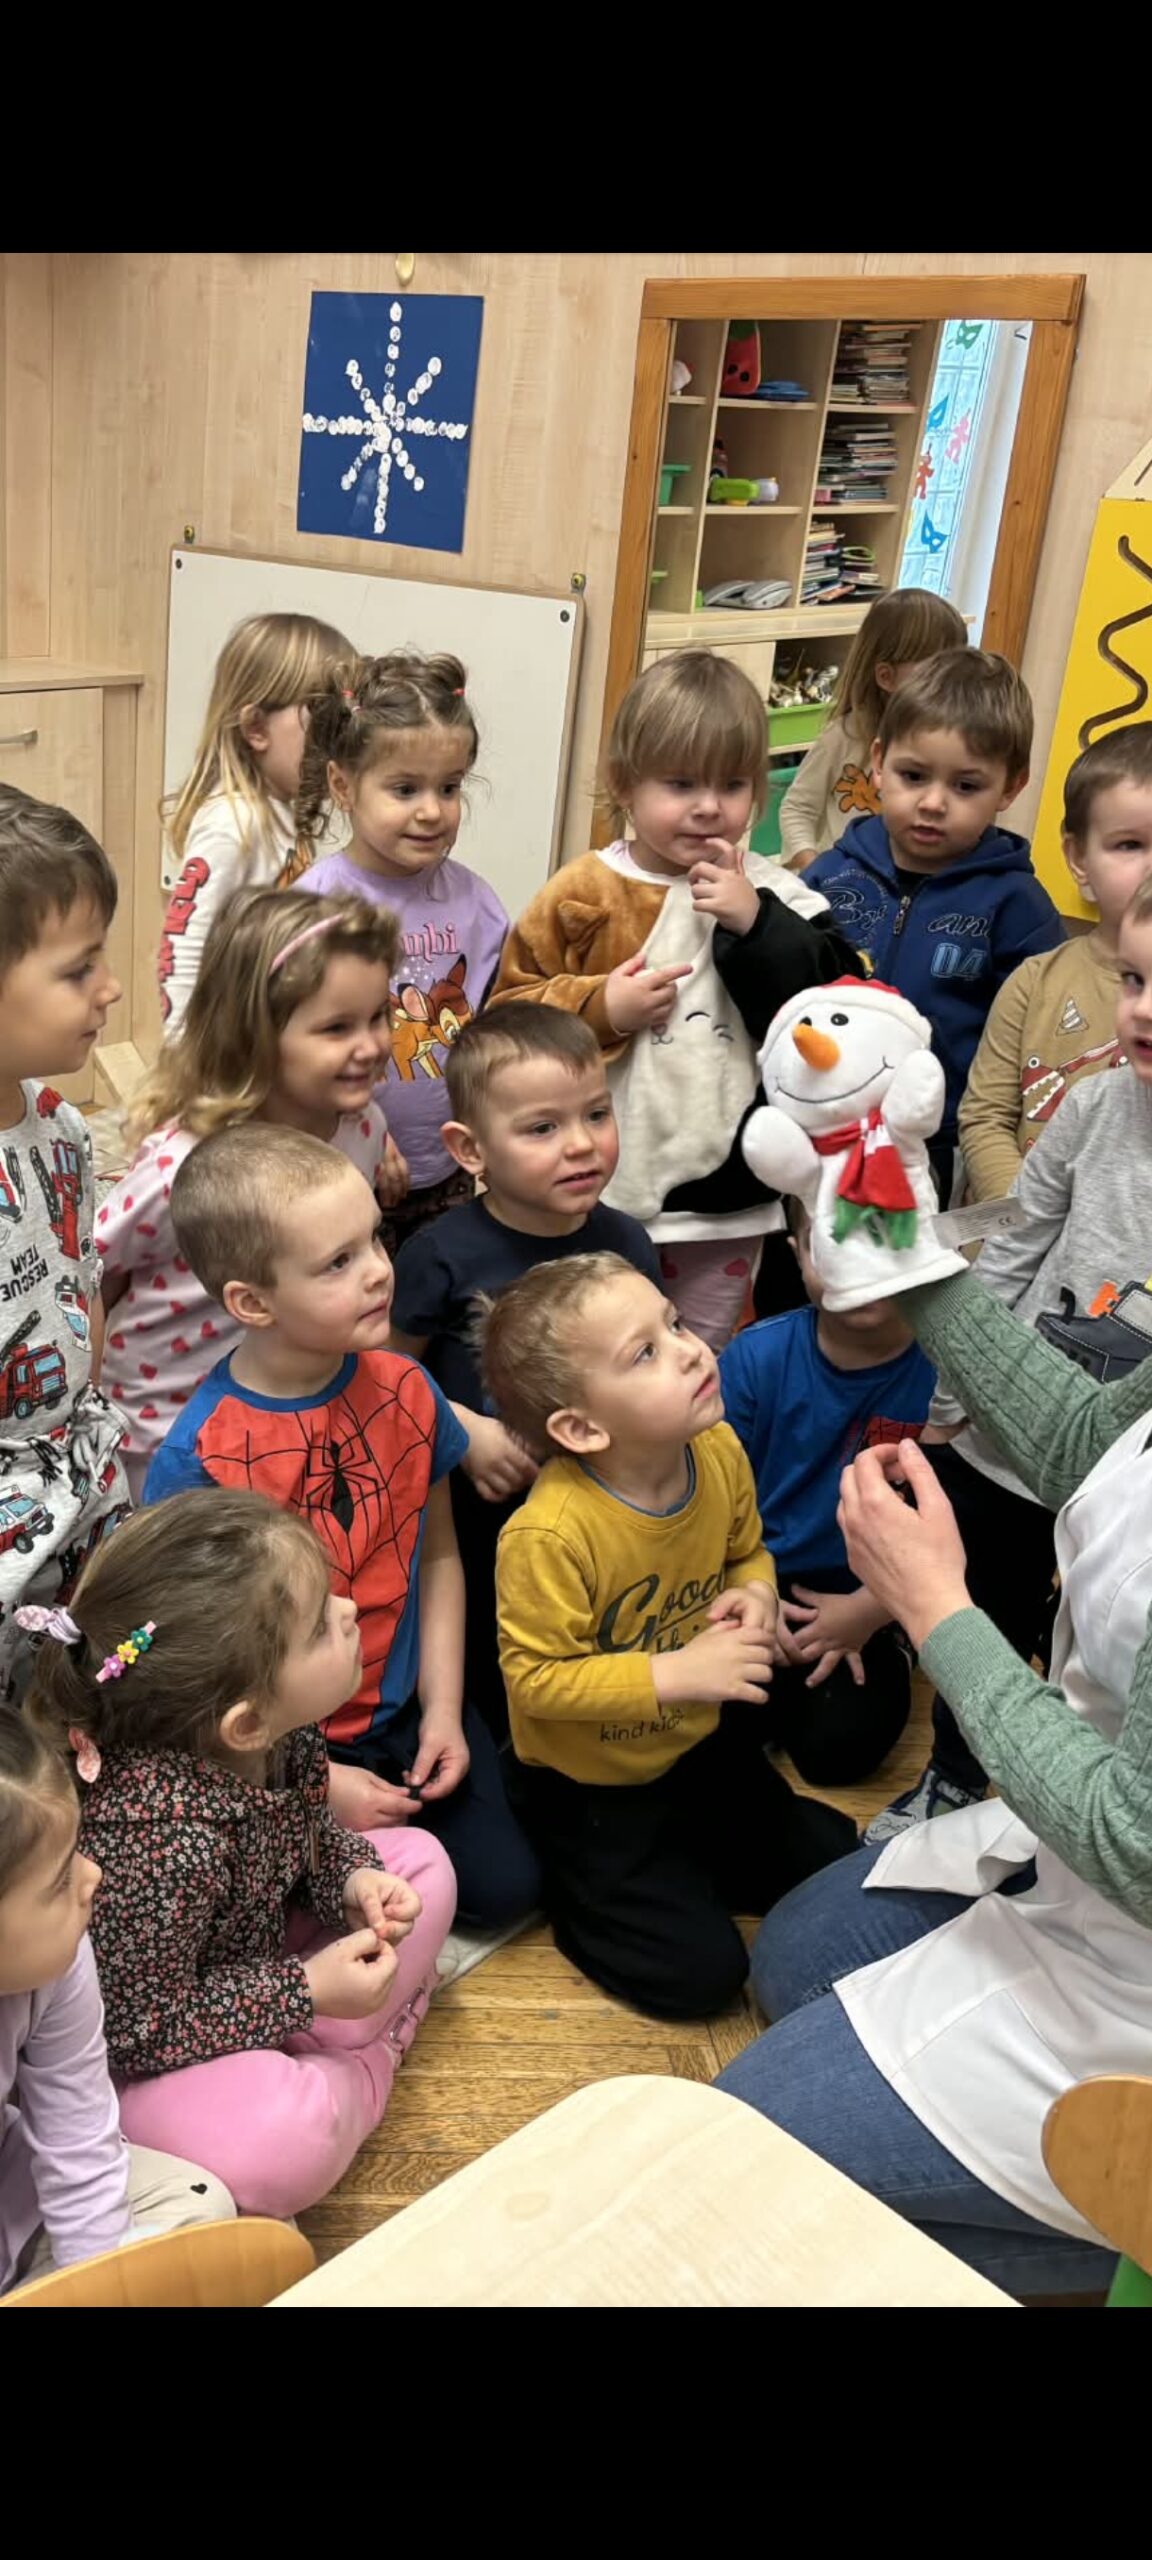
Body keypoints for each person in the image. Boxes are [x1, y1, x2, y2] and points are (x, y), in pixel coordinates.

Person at [714, 1240, 1152, 2300]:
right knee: (794, 1959)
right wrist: (902, 1256)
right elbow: (1092, 1440)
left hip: (1125, 1932)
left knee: (731, 2172)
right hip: (1078, 1860)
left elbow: (1136, 1844)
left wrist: (932, 1609)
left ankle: (1123, 2219)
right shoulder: (767, 1359)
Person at [146, 1124, 541, 1931]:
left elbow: (437, 1555)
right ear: (253, 1303)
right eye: (338, 1262)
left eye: (375, 1240)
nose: (378, 1272)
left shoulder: (409, 1388)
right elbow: (195, 1681)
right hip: (276, 1748)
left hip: (405, 1710)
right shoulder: (199, 1457)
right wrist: (314, 1787)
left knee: (505, 1891)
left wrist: (443, 1709)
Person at [25, 1489, 455, 2222]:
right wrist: (305, 1990)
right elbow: (140, 2031)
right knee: (281, 2139)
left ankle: (343, 2033)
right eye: (320, 1626)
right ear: (244, 1723)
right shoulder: (158, 1841)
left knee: (424, 1864)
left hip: (248, 1965)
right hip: (154, 2050)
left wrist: (351, 1881)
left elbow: (306, 1838)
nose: (350, 1610)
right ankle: (364, 2059)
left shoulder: (283, 1735)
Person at [483, 1253, 856, 2019]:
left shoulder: (714, 1450)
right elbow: (535, 1681)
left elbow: (746, 1550)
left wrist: (756, 1593)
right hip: (591, 1782)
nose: (690, 1350)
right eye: (645, 1352)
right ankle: (580, 1890)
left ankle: (690, 1863)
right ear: (581, 1428)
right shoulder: (549, 1535)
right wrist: (675, 1673)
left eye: (675, 1323)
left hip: (699, 1744)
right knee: (702, 1979)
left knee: (833, 1861)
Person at [869, 870, 1152, 1839]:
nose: (1142, 1010)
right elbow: (1015, 1246)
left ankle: (1068, 1802)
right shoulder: (1094, 1106)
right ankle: (954, 1775)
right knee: (984, 1605)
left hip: (1129, 1481)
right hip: (1013, 1440)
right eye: (1133, 980)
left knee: (1095, 1643)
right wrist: (952, 1402)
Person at [491, 650, 861, 1351]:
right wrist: (602, 1007)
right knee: (592, 1349)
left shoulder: (779, 894)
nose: (709, 805)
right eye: (681, 782)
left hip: (726, 1204)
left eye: (733, 783)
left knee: (697, 1356)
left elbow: (838, 1012)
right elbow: (508, 1017)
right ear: (624, 784)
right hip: (597, 1189)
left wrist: (758, 922)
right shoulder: (583, 890)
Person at [389, 1002, 663, 1740]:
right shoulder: (439, 1256)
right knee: (497, 1680)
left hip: (599, 1514)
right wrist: (462, 1429)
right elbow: (382, 1377)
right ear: (470, 1149)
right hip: (481, 1521)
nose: (581, 1144)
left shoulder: (627, 1243)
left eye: (597, 1114)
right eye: (542, 1128)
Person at [99, 887, 406, 1498]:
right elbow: (90, 1270)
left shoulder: (363, 1127)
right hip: (164, 1432)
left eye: (378, 1017)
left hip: (281, 1410)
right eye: (337, 1027)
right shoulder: (183, 1164)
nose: (372, 1045)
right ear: (254, 1035)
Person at [803, 649, 1064, 1198]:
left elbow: (1037, 1041)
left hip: (938, 1144)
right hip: (820, 1119)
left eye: (966, 786)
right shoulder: (830, 874)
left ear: (1011, 787)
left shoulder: (1018, 905)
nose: (933, 802)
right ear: (879, 762)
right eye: (914, 775)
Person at [0, 1703, 235, 2297]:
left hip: (15, 2190)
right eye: (59, 1880)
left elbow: (77, 2138)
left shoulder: (57, 1961)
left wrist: (103, 2284)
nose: (94, 1875)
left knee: (205, 2211)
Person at [295, 651, 508, 1259]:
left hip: (450, 1163)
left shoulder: (478, 904)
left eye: (450, 787)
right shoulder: (313, 906)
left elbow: (491, 1031)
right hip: (342, 1165)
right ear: (343, 786)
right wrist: (361, 1128)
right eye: (405, 789)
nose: (432, 810)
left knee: (440, 1291)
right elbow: (292, 1053)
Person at [718, 1197, 934, 1787]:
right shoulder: (755, 1358)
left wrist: (871, 1612)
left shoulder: (950, 1371)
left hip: (880, 1588)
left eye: (883, 1236)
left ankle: (897, 1644)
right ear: (798, 1254)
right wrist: (749, 1589)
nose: (858, 1264)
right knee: (717, 1732)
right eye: (833, 1241)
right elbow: (710, 1500)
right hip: (757, 1575)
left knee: (837, 1753)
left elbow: (961, 1526)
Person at [0, 787, 131, 1702]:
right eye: (79, 969)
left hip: (83, 1493)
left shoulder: (64, 1127)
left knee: (93, 1702)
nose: (110, 988)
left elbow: (82, 1291)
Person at [959, 722, 1152, 1200]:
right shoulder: (1034, 983)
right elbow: (985, 1118)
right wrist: (1030, 1220)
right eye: (1130, 845)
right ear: (1079, 857)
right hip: (1014, 1230)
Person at [157, 610, 352, 1032]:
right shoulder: (234, 823)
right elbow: (183, 947)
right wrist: (182, 1053)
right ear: (256, 728)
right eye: (321, 721)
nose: (338, 741)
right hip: (228, 1046)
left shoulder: (283, 812)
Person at [779, 590, 967, 870]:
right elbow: (797, 808)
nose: (948, 683)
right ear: (886, 677)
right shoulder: (844, 735)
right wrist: (814, 866)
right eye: (934, 671)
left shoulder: (952, 744)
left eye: (955, 669)